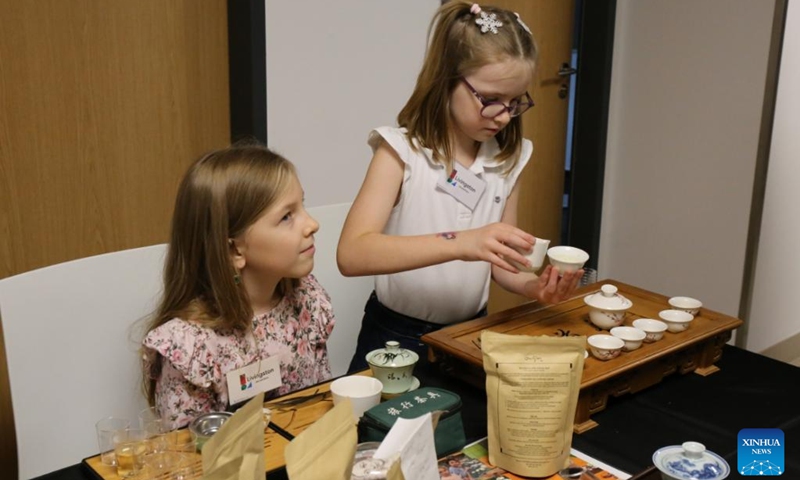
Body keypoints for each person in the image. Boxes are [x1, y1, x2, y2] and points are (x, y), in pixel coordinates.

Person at [338, 1, 582, 373]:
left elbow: (503, 264)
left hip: (469, 333)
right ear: (447, 79)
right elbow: (352, 254)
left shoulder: (508, 158)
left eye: (515, 102)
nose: (504, 116)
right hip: (394, 335)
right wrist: (462, 242)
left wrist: (535, 288)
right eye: (491, 100)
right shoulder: (400, 151)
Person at [141, 142, 335, 429]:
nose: (312, 224)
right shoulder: (192, 347)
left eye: (302, 205)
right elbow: (189, 451)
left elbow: (320, 405)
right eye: (286, 216)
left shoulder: (306, 300)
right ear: (234, 250)